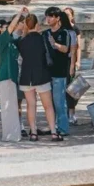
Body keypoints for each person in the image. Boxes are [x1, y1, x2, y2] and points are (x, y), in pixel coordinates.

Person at [16, 12, 62, 142]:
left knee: (31, 105)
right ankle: (53, 132)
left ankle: (33, 132)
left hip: (26, 76)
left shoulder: (21, 41)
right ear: (37, 24)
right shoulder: (43, 38)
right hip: (41, 75)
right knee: (48, 106)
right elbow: (51, 54)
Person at [0, 13, 24, 143]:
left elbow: (19, 36)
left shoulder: (12, 41)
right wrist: (20, 13)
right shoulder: (2, 39)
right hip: (6, 76)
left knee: (13, 106)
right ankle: (9, 134)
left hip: (12, 76)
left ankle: (14, 133)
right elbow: (12, 29)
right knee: (7, 106)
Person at [43, 6, 72, 136]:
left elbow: (66, 49)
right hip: (46, 72)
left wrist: (55, 44)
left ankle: (63, 128)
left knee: (59, 102)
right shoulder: (45, 33)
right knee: (49, 104)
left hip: (59, 72)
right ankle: (52, 126)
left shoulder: (64, 33)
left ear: (57, 18)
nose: (48, 19)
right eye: (47, 16)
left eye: (51, 16)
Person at [63, 7, 82, 125]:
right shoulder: (60, 28)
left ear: (72, 16)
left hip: (71, 60)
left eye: (68, 14)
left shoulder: (75, 29)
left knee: (72, 89)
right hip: (61, 62)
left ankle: (72, 112)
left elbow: (78, 47)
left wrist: (77, 61)